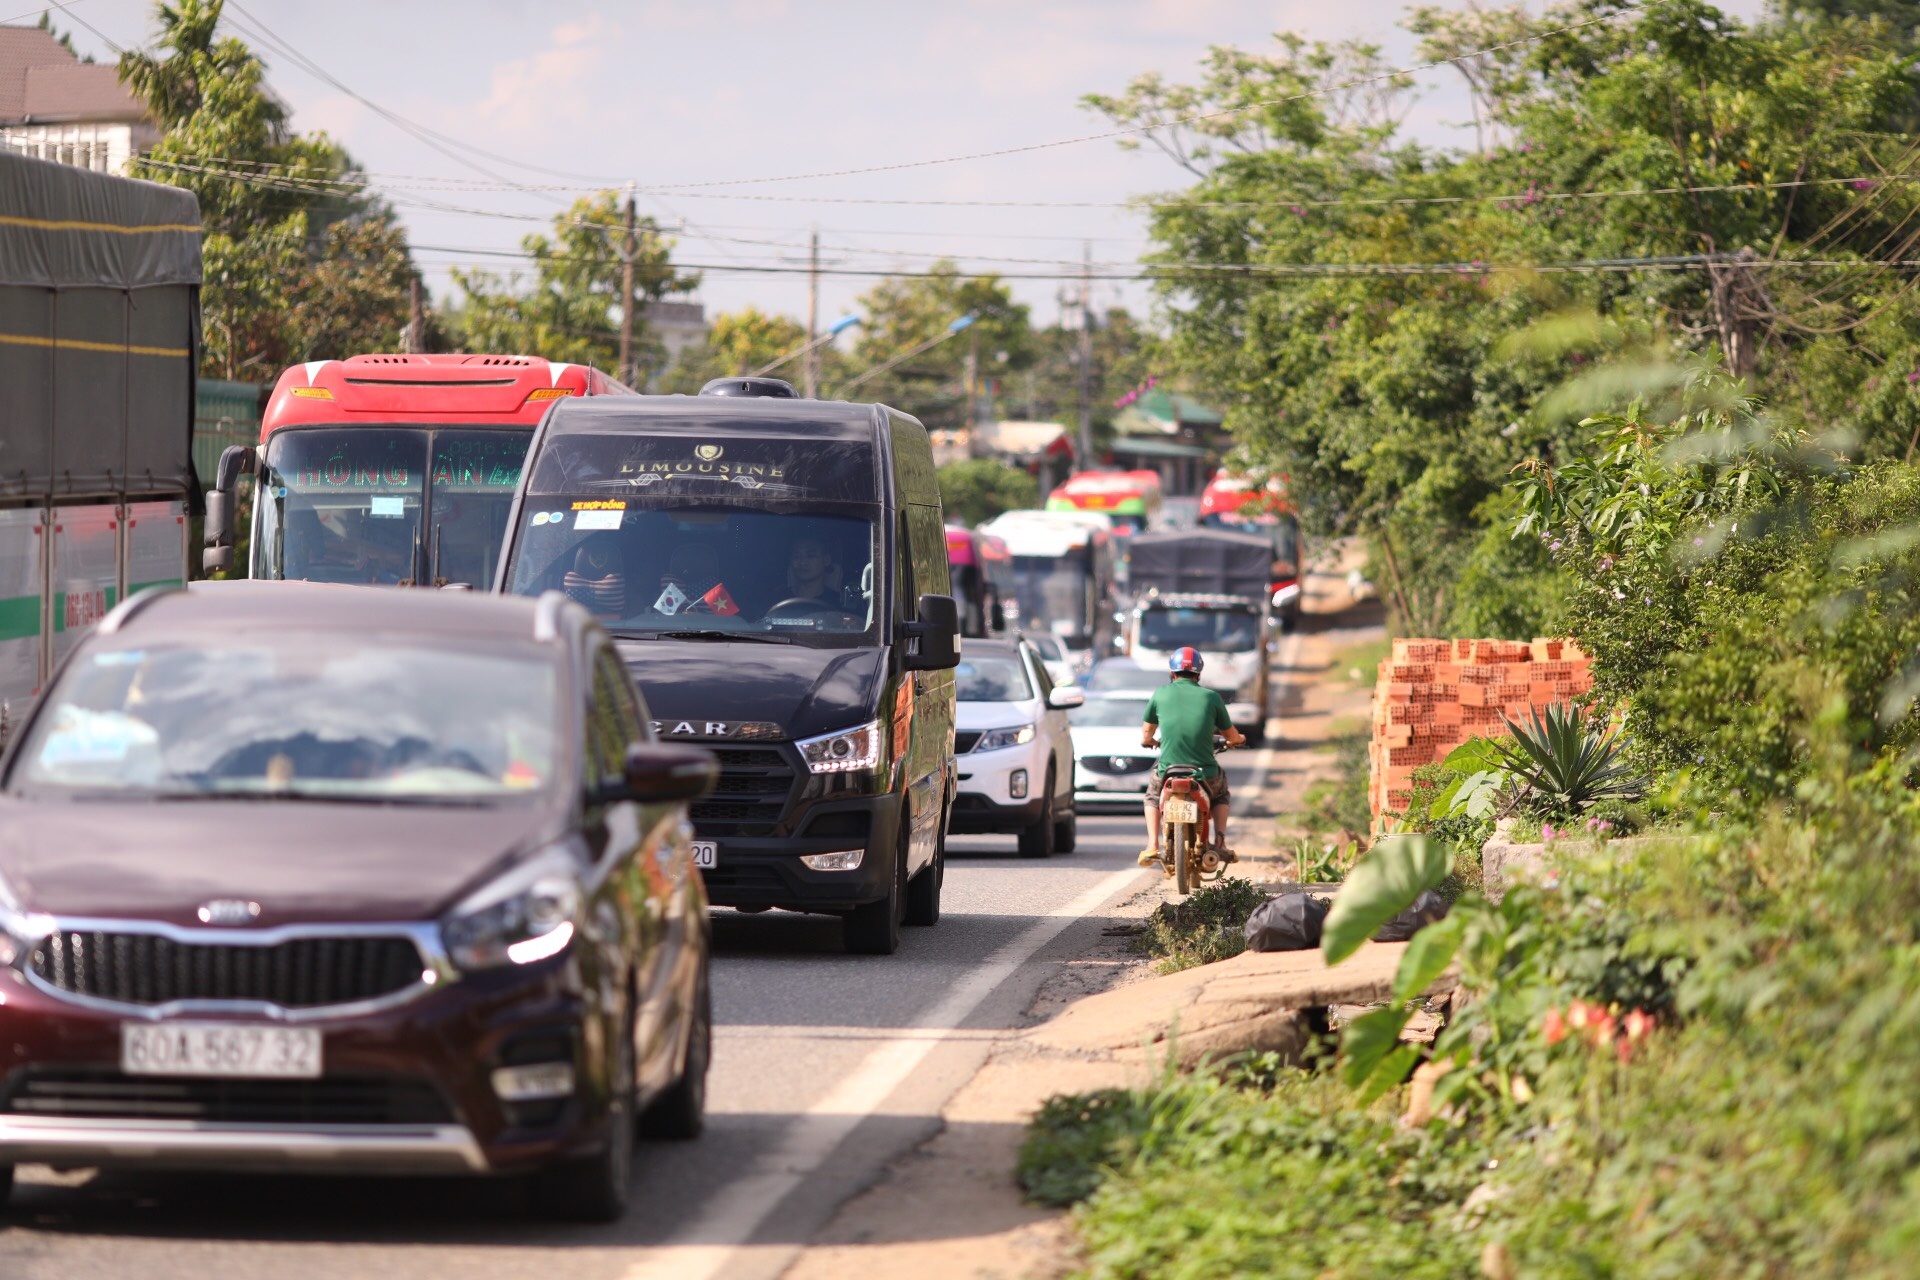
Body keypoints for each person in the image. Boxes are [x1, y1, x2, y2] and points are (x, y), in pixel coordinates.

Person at [1138, 646, 1245, 869]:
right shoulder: (1211, 697)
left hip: (1168, 769)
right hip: (1204, 772)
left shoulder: (1160, 693)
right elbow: (1231, 734)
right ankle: (1220, 842)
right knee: (1221, 794)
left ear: (1172, 673)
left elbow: (1147, 732)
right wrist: (1237, 739)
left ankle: (1152, 844)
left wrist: (1149, 741)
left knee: (1151, 795)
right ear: (1198, 674)